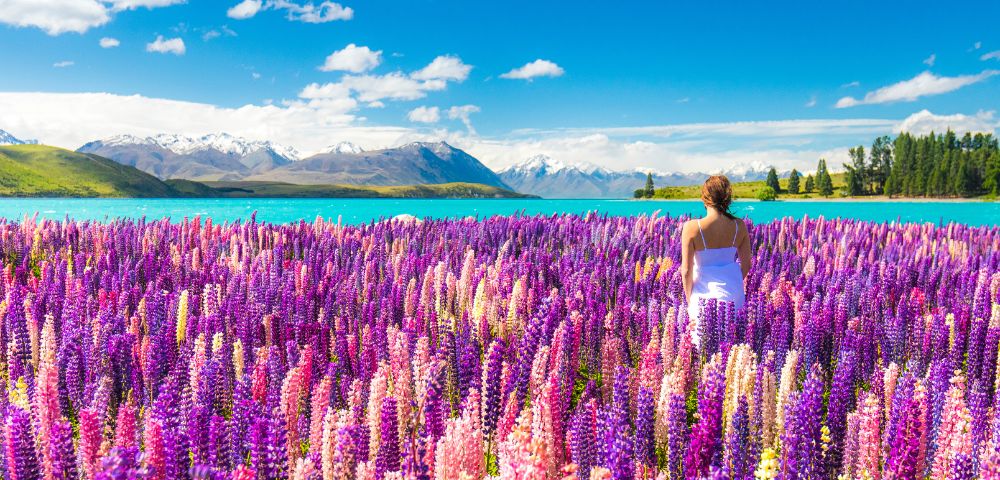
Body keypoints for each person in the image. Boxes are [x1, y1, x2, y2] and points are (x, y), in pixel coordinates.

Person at [679, 175, 751, 347]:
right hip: (734, 295)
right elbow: (747, 264)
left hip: (703, 296)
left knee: (701, 351)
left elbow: (686, 271)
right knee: (732, 350)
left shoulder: (691, 227)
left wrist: (690, 300)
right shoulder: (739, 226)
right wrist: (729, 282)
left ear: (704, 198)